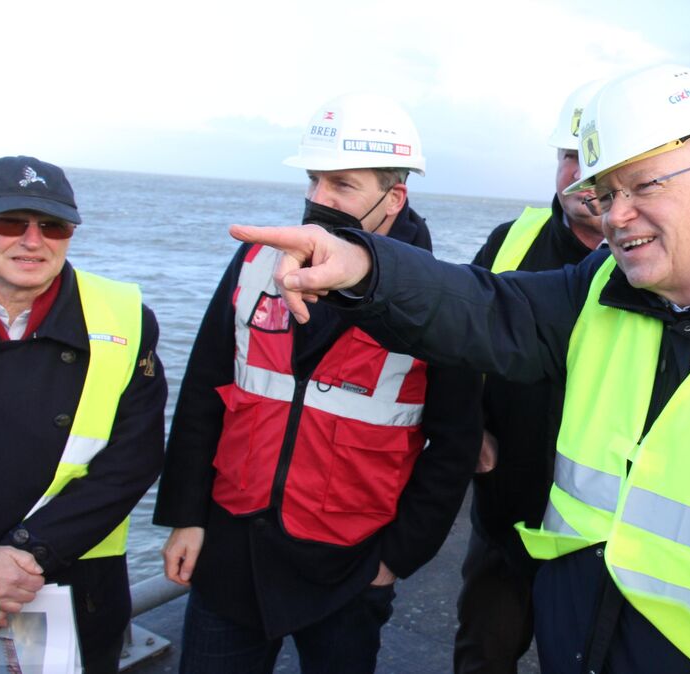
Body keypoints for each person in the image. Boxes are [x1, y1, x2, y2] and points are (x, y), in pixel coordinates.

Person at [233, 64, 690, 674]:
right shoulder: (597, 289)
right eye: (604, 192)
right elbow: (480, 305)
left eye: (641, 187)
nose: (616, 216)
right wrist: (363, 265)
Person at [153, 94, 482, 673]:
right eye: (313, 180)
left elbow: (454, 442)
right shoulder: (257, 262)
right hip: (235, 550)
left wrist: (395, 560)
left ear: (393, 198)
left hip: (348, 566)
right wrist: (188, 516)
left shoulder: (437, 296)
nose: (317, 201)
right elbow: (206, 387)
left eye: (341, 185)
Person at [0, 156, 166, 672]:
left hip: (70, 579)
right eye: (10, 222)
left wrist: (25, 555)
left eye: (53, 225)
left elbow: (134, 458)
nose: (33, 240)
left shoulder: (125, 318)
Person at [454, 81, 604, 673]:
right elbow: (457, 343)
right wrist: (469, 432)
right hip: (508, 511)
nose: (576, 174)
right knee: (483, 654)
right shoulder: (510, 242)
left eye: (591, 159)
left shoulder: (648, 263)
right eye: (568, 157)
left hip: (601, 534)